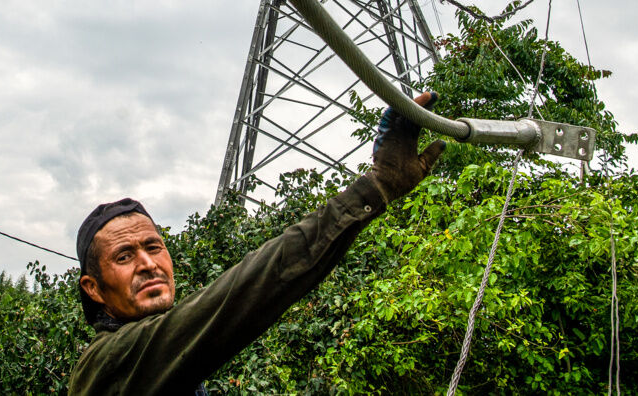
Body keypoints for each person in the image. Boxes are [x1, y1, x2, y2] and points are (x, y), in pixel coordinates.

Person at [68, 92, 446, 395]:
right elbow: (252, 287)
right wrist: (377, 186)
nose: (148, 264)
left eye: (153, 247)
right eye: (124, 256)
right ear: (93, 288)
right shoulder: (109, 363)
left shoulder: (165, 356)